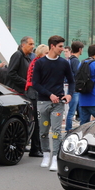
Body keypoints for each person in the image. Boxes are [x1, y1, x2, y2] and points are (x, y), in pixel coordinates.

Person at [32, 35, 75, 172]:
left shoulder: (64, 63)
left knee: (56, 131)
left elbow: (72, 81)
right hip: (43, 102)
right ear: (52, 46)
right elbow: (35, 84)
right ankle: (46, 155)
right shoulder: (39, 63)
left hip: (58, 103)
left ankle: (55, 157)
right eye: (60, 46)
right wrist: (50, 95)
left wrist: (69, 94)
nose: (63, 49)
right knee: (43, 130)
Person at [25, 44, 49, 158]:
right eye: (46, 53)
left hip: (33, 92)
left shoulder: (35, 61)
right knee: (38, 122)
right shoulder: (39, 63)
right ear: (40, 54)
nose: (48, 55)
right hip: (34, 94)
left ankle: (38, 147)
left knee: (39, 122)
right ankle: (36, 148)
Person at [65, 41, 84, 132]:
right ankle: (68, 128)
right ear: (80, 49)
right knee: (72, 110)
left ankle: (70, 128)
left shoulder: (70, 59)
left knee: (74, 110)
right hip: (75, 89)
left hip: (72, 87)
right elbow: (78, 74)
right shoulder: (75, 60)